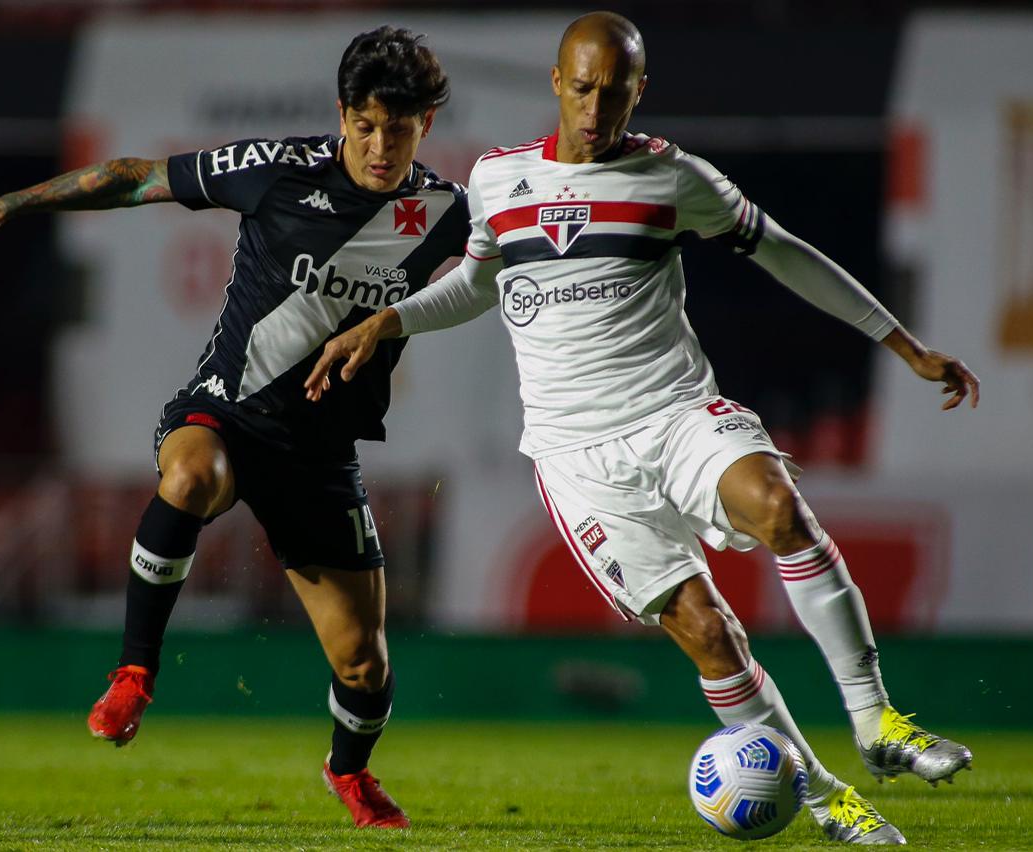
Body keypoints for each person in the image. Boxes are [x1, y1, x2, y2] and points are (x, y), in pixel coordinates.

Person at [305, 11, 978, 845]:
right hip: (576, 456)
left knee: (778, 506)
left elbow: (785, 251)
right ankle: (823, 794)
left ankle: (877, 722)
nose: (596, 109)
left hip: (676, 412)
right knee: (709, 631)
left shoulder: (671, 177)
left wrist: (901, 342)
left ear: (639, 92)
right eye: (583, 88)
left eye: (615, 92)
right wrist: (390, 323)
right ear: (557, 83)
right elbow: (477, 283)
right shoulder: (497, 179)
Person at [0, 25, 471, 830]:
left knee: (364, 662)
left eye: (403, 124)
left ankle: (348, 773)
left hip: (318, 458)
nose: (383, 143)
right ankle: (135, 674)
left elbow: (514, 264)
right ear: (344, 114)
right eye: (369, 123)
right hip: (226, 413)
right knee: (191, 477)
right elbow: (134, 176)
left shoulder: (447, 213)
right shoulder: (279, 171)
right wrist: (5, 205)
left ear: (426, 123)